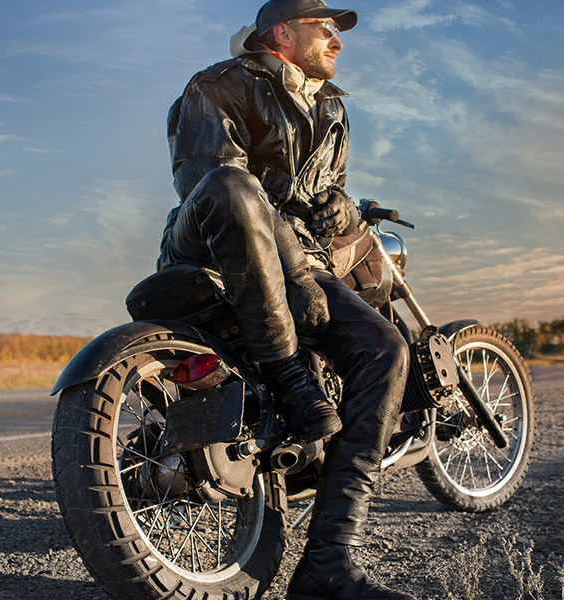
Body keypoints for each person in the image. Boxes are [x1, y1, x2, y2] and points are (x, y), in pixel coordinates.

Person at [157, 1, 416, 598]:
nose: (338, 41)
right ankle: (287, 375)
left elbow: (333, 192)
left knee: (386, 347)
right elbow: (209, 179)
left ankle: (329, 563)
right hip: (211, 248)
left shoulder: (332, 111)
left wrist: (342, 209)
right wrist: (293, 251)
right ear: (282, 33)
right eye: (325, 28)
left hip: (300, 263)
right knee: (233, 184)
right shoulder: (218, 86)